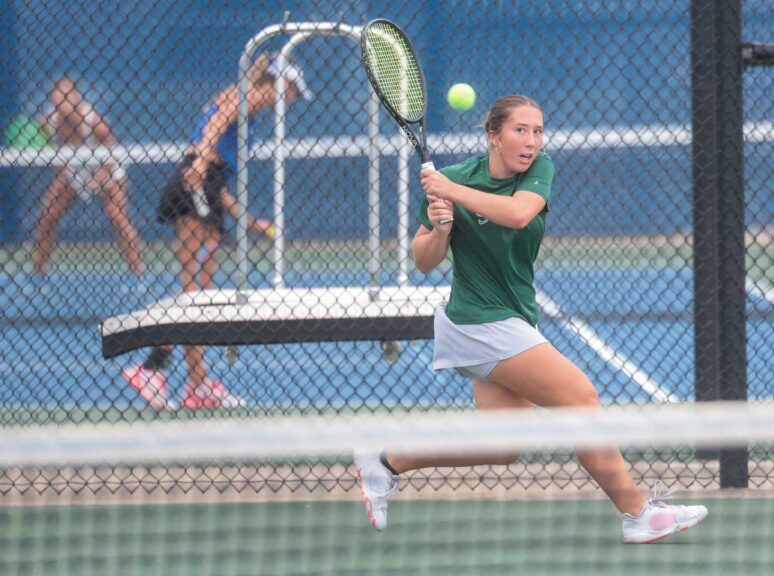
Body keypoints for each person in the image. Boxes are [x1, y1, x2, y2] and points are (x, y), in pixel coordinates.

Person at [354, 95, 708, 544]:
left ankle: (384, 460)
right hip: (479, 320)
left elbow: (519, 214)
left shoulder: (536, 170)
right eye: (520, 130)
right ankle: (637, 513)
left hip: (515, 314)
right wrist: (442, 228)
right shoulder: (456, 178)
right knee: (582, 400)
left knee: (502, 445)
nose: (531, 141)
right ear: (494, 135)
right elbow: (424, 260)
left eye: (538, 131)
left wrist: (450, 191)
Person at [122, 53, 312, 410]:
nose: (291, 98)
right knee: (193, 290)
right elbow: (217, 123)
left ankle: (196, 385)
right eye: (292, 90)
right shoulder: (248, 95)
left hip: (207, 184)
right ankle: (151, 368)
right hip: (196, 183)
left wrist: (247, 220)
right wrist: (200, 160)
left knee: (199, 293)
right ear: (279, 82)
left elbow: (219, 178)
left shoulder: (250, 110)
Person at [31, 76, 145, 278]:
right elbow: (49, 151)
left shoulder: (94, 122)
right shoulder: (47, 123)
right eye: (57, 96)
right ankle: (38, 273)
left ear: (76, 96)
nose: (62, 100)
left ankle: (138, 271)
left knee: (117, 216)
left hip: (106, 169)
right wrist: (64, 169)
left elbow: (112, 155)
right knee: (48, 215)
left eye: (66, 95)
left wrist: (96, 180)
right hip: (74, 171)